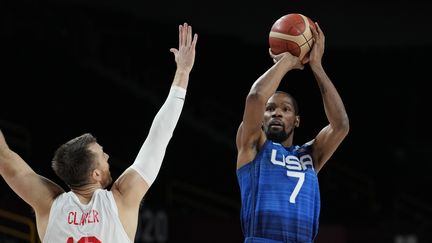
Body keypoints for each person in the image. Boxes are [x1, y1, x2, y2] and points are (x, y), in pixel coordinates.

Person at [0, 22, 197, 242]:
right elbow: (159, 136)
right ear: (95, 174)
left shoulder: (49, 204)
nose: (107, 157)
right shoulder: (121, 199)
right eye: (102, 155)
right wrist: (183, 72)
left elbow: (4, 159)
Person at [236, 22, 349, 243]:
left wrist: (316, 65)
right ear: (262, 117)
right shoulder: (253, 145)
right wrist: (288, 60)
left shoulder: (310, 155)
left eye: (285, 109)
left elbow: (340, 125)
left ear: (296, 121)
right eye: (270, 109)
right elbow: (256, 96)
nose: (276, 113)